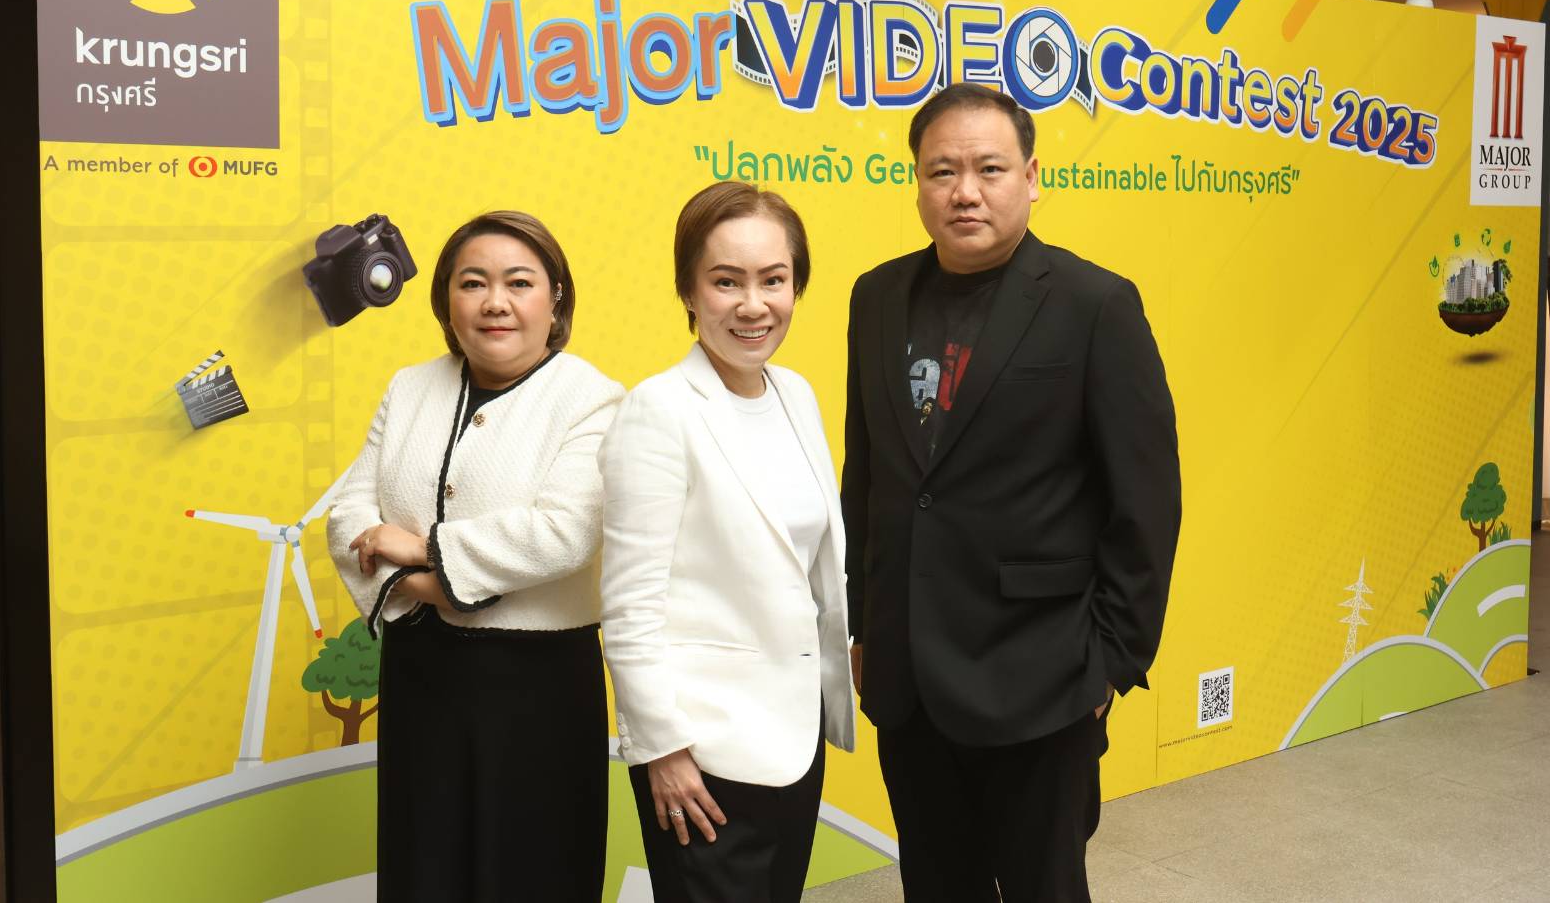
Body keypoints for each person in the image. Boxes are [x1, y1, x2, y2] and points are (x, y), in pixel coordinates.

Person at [841, 83, 1182, 902]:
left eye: (989, 169)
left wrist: (1110, 661)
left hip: (1041, 676)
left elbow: (1145, 499)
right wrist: (861, 621)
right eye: (942, 171)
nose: (965, 191)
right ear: (917, 183)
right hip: (908, 677)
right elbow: (867, 474)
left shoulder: (1094, 304)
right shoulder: (875, 296)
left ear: (1030, 178)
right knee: (935, 884)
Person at [327, 211, 623, 902]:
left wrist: (418, 549)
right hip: (421, 676)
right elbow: (348, 514)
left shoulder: (594, 399)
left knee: (533, 873)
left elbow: (565, 531)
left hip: (537, 687)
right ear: (445, 301)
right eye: (472, 283)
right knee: (424, 867)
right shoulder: (409, 387)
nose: (495, 302)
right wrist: (422, 587)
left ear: (555, 298)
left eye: (519, 282)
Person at [599, 181, 856, 902]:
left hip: (794, 736)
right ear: (688, 290)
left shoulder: (795, 394)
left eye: (773, 280)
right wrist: (662, 750)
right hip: (702, 753)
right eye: (726, 281)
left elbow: (810, 566)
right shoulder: (658, 410)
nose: (753, 305)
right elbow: (629, 605)